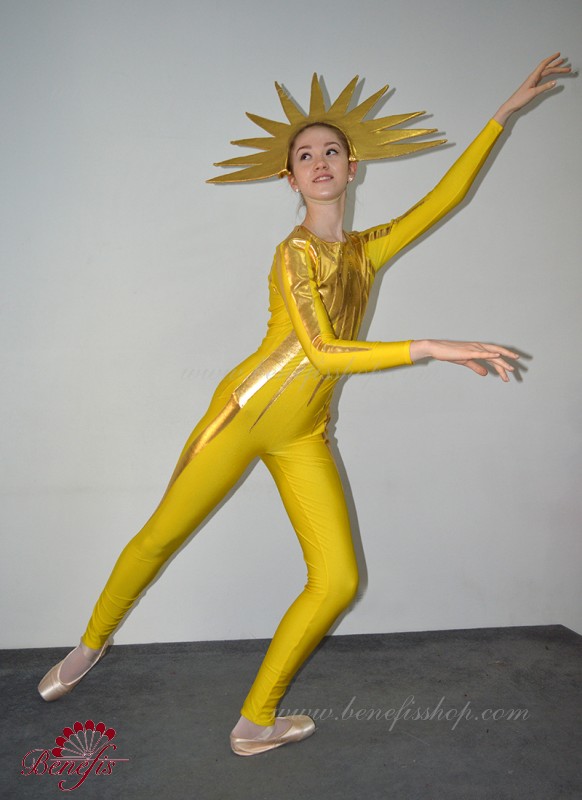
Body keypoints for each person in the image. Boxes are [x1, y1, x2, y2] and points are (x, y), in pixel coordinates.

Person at [38, 54, 570, 756]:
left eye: (331, 151)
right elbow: (320, 352)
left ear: (353, 167)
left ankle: (255, 721)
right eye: (304, 155)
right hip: (244, 412)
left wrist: (502, 114)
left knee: (339, 579)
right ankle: (90, 644)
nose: (319, 161)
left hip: (305, 434)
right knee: (161, 535)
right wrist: (429, 346)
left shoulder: (367, 251)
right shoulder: (293, 252)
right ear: (289, 178)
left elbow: (445, 198)